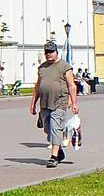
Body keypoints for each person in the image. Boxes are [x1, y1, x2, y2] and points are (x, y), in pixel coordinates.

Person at [31, 40, 78, 168]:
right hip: (45, 103)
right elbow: (38, 86)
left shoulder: (64, 66)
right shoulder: (42, 67)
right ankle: (59, 152)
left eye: (51, 51)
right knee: (48, 129)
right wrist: (33, 103)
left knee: (55, 128)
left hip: (60, 102)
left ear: (56, 52)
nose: (49, 54)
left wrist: (74, 102)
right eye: (47, 52)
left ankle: (53, 157)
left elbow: (71, 85)